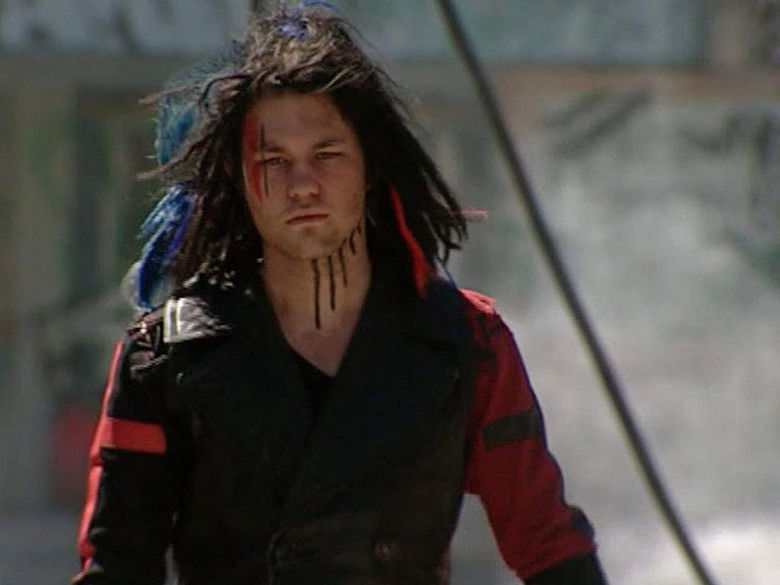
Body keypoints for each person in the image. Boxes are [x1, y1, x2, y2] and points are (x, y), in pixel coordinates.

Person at [73, 4, 608, 584]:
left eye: (325, 156)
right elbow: (115, 564)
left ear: (369, 167)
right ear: (238, 180)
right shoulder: (164, 355)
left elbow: (548, 546)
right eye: (272, 160)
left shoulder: (467, 343)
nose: (301, 185)